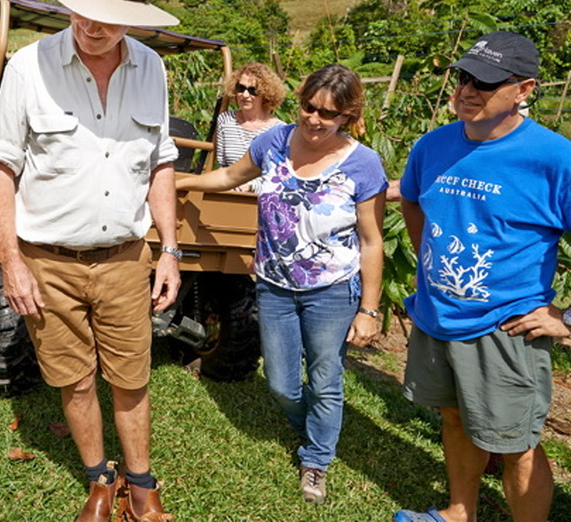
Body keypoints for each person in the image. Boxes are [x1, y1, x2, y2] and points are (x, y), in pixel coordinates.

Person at [0, 0, 180, 522]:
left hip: (125, 258)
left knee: (132, 377)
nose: (94, 25)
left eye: (112, 18)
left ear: (133, 17)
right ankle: (99, 480)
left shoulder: (152, 69)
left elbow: (161, 161)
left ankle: (141, 485)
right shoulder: (28, 65)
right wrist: (11, 261)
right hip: (48, 260)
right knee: (72, 378)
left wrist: (168, 251)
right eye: (84, 10)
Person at [177, 63, 386, 505]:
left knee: (326, 377)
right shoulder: (273, 142)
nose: (314, 119)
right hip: (273, 284)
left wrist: (369, 309)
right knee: (280, 382)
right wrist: (183, 182)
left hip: (332, 288)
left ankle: (316, 459)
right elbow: (231, 177)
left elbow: (371, 241)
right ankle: (311, 424)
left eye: (327, 114)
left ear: (346, 116)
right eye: (309, 107)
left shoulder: (363, 164)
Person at [393, 31, 571, 522]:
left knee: (515, 443)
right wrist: (431, 265)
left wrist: (565, 316)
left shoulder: (554, 158)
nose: (468, 91)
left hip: (504, 327)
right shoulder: (433, 145)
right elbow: (411, 198)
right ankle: (459, 511)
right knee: (454, 418)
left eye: (486, 82)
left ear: (525, 89)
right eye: (463, 78)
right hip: (438, 318)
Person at [214, 62, 287, 190]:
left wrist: (251, 186)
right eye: (241, 88)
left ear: (265, 94)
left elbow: (277, 176)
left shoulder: (278, 130)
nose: (245, 95)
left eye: (253, 91)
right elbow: (222, 165)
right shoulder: (225, 120)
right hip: (229, 191)